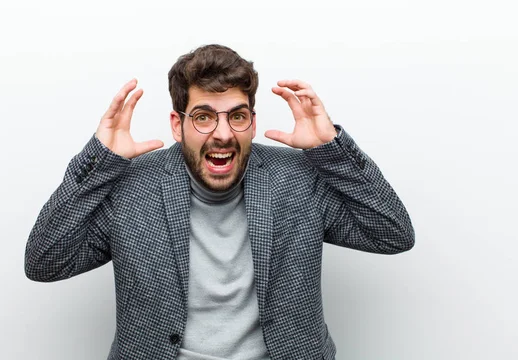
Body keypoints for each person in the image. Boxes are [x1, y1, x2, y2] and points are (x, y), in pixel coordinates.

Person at [25, 44, 415, 360]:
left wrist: (332, 151)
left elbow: (393, 234)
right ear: (177, 125)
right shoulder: (132, 186)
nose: (223, 134)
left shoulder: (297, 177)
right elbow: (44, 262)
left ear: (253, 122)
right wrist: (99, 161)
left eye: (237, 116)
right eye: (204, 117)